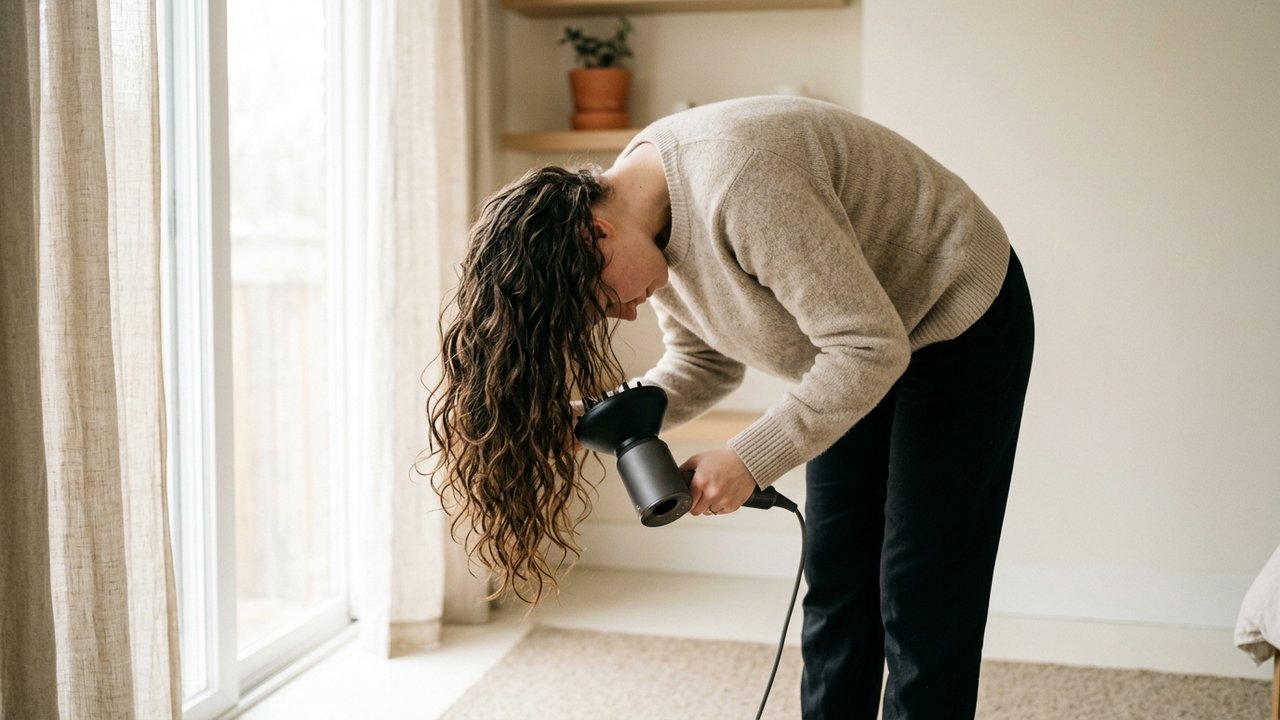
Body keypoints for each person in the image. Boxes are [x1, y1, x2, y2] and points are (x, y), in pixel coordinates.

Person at [428, 95, 1034, 720]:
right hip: (854, 347)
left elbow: (869, 347)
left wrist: (748, 457)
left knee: (923, 588)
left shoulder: (740, 180)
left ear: (596, 232)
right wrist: (590, 421)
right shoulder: (644, 218)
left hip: (956, 315)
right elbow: (706, 363)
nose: (627, 312)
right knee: (837, 578)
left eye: (606, 297)